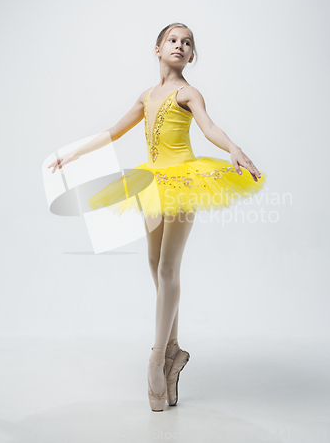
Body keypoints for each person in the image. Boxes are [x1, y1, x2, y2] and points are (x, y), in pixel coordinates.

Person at [48, 22, 267, 412]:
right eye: (173, 40)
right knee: (154, 264)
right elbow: (114, 132)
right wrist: (74, 153)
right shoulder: (148, 95)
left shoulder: (188, 92)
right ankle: (174, 353)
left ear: (192, 56)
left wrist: (234, 148)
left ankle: (155, 358)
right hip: (151, 182)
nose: (179, 45)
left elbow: (209, 127)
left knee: (168, 269)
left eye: (187, 43)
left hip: (184, 180)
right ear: (157, 48)